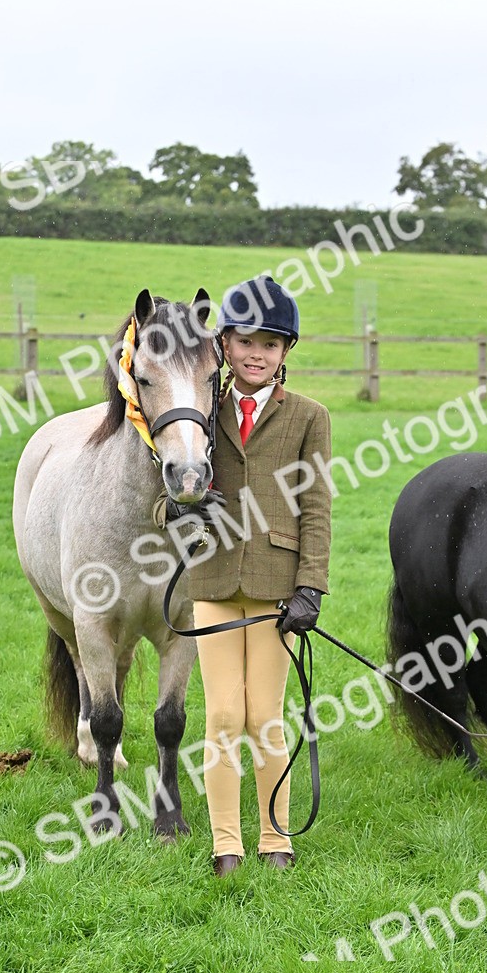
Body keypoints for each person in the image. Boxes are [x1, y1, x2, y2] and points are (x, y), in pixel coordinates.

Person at [185, 276, 332, 876]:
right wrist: (179, 509)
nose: (256, 353)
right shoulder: (197, 411)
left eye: (270, 344)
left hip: (277, 590)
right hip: (213, 583)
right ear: (223, 343)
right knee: (221, 715)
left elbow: (317, 506)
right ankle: (227, 844)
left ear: (286, 352)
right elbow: (164, 496)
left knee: (263, 716)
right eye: (244, 340)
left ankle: (276, 840)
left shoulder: (309, 417)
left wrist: (310, 587)